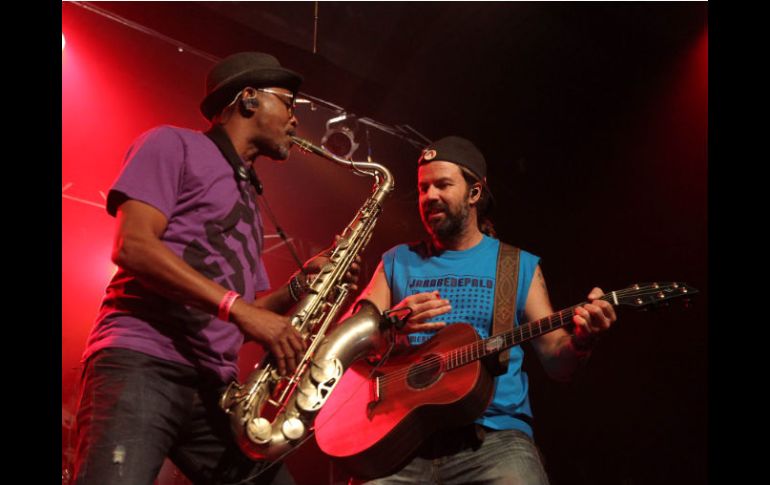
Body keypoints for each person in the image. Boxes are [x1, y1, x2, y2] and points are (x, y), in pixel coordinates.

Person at [72, 52, 357, 485]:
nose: (295, 119)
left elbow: (246, 315)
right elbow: (133, 245)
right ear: (249, 98)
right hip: (142, 361)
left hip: (216, 390)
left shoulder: (248, 200)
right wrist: (240, 309)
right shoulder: (172, 143)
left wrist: (302, 286)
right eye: (288, 103)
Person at [352, 136, 617, 484]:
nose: (429, 196)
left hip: (493, 440)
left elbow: (557, 361)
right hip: (402, 439)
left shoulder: (516, 265)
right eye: (423, 188)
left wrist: (583, 339)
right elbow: (350, 338)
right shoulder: (397, 260)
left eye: (443, 185)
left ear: (474, 193)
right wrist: (390, 324)